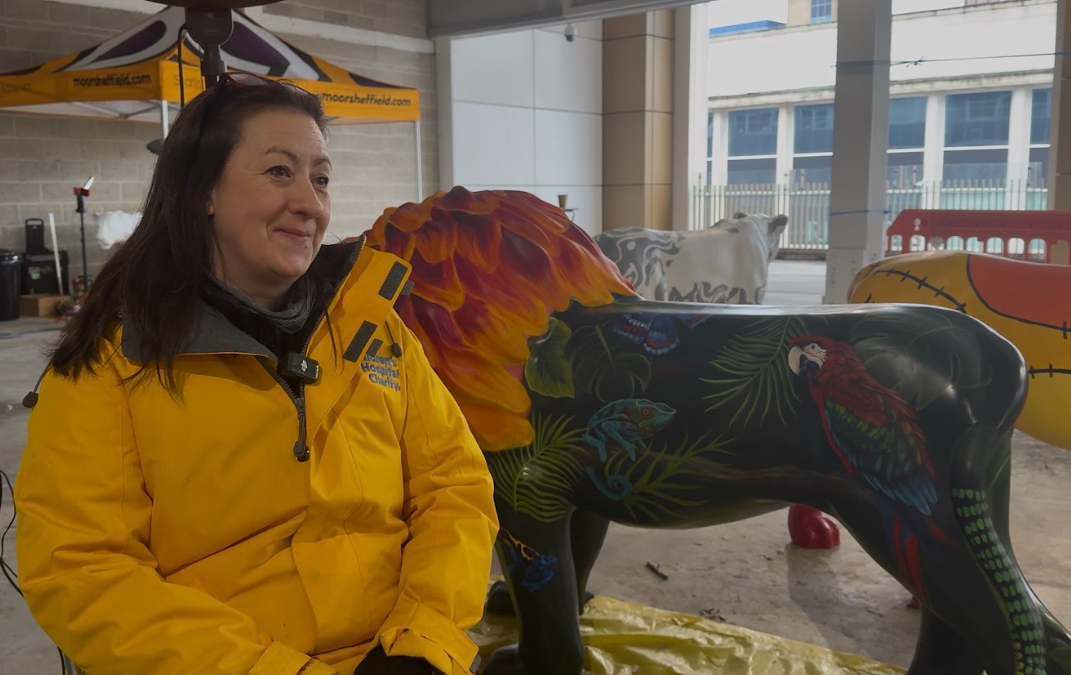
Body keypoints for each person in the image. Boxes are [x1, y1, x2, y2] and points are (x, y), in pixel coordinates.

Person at [14, 75, 499, 675]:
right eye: (279, 172)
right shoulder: (114, 363)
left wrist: (425, 641)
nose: (311, 202)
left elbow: (454, 487)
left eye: (320, 178)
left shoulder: (375, 330)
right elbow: (80, 568)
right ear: (202, 192)